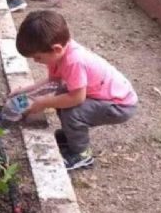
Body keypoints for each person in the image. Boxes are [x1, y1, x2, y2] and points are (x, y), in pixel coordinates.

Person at [12, 10, 138, 171]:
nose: (36, 62)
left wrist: (44, 103)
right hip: (103, 96)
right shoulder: (58, 54)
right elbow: (53, 81)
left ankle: (81, 155)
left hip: (120, 105)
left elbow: (77, 98)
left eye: (38, 57)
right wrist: (25, 91)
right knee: (60, 96)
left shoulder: (73, 61)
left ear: (56, 49)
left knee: (73, 112)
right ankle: (70, 137)